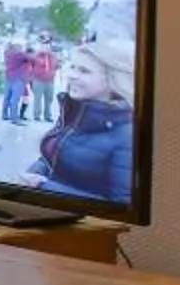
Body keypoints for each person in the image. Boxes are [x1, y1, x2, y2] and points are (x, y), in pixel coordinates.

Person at [27, 38, 138, 206]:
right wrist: (34, 174)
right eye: (72, 67)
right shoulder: (75, 112)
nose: (72, 76)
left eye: (84, 71)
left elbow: (121, 207)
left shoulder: (128, 135)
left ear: (112, 80)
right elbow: (54, 156)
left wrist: (43, 187)